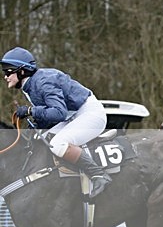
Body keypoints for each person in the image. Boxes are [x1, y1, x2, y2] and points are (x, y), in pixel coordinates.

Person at [2, 46, 111, 198]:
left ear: (22, 71)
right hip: (75, 115)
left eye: (8, 71)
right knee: (39, 140)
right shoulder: (29, 84)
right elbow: (49, 112)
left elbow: (59, 112)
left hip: (90, 114)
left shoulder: (43, 82)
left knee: (57, 144)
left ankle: (99, 175)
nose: (5, 76)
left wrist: (31, 111)